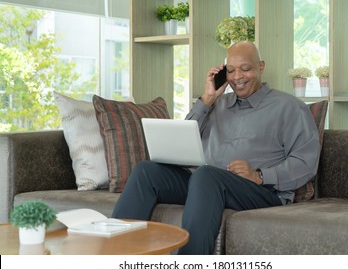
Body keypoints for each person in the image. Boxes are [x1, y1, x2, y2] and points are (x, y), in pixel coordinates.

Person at [112, 41, 320, 254]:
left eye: (245, 69)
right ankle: (114, 257)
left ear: (261, 66)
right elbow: (183, 140)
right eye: (230, 70)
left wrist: (259, 176)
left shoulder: (289, 107)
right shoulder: (215, 104)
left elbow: (305, 162)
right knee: (146, 171)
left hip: (261, 191)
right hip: (205, 185)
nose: (237, 77)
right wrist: (208, 98)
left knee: (206, 175)